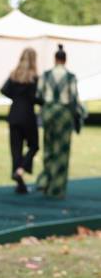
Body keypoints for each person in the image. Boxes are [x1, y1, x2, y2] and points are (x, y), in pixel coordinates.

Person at [35, 44, 83, 198]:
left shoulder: (46, 74)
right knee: (62, 151)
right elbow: (74, 98)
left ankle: (45, 182)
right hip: (63, 114)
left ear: (55, 59)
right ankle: (57, 188)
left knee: (48, 148)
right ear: (65, 60)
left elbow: (39, 95)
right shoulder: (70, 77)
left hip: (49, 113)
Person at [0, 47, 40, 194]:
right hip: (28, 116)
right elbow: (37, 98)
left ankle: (19, 181)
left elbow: (4, 90)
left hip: (14, 115)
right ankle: (21, 171)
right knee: (34, 145)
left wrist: (16, 98)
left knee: (16, 150)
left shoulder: (14, 75)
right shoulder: (34, 78)